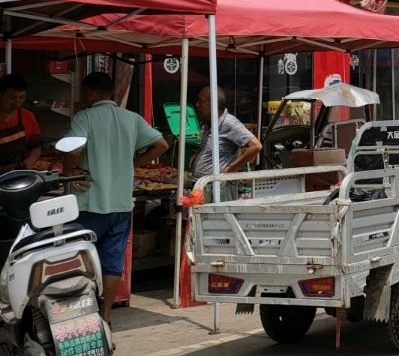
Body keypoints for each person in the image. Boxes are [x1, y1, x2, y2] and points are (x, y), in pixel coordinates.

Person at [64, 71, 167, 325]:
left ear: (89, 92)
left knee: (80, 260)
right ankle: (105, 315)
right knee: (112, 263)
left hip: (88, 203)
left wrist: (69, 171)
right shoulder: (131, 118)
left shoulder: (84, 117)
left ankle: (83, 314)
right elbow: (162, 145)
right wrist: (132, 163)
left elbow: (74, 150)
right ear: (111, 92)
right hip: (121, 204)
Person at [191, 86, 262, 180]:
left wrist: (231, 169)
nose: (197, 104)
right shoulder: (210, 123)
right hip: (204, 185)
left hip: (219, 187)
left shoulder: (229, 123)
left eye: (201, 101)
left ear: (212, 104)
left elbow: (256, 146)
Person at [0, 73, 42, 174]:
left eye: (21, 97)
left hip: (18, 175)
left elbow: (36, 147)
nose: (17, 102)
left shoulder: (28, 116)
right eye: (12, 98)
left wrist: (28, 162)